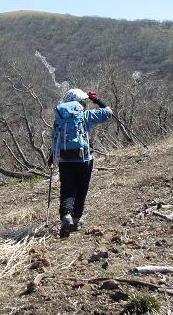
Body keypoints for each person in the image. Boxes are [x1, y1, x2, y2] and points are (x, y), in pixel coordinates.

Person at [48, 88, 112, 237]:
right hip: (84, 158)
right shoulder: (86, 115)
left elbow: (55, 138)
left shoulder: (60, 118)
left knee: (67, 189)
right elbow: (109, 112)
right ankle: (76, 220)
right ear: (81, 102)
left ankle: (66, 216)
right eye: (84, 101)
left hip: (64, 159)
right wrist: (96, 100)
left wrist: (52, 157)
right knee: (81, 189)